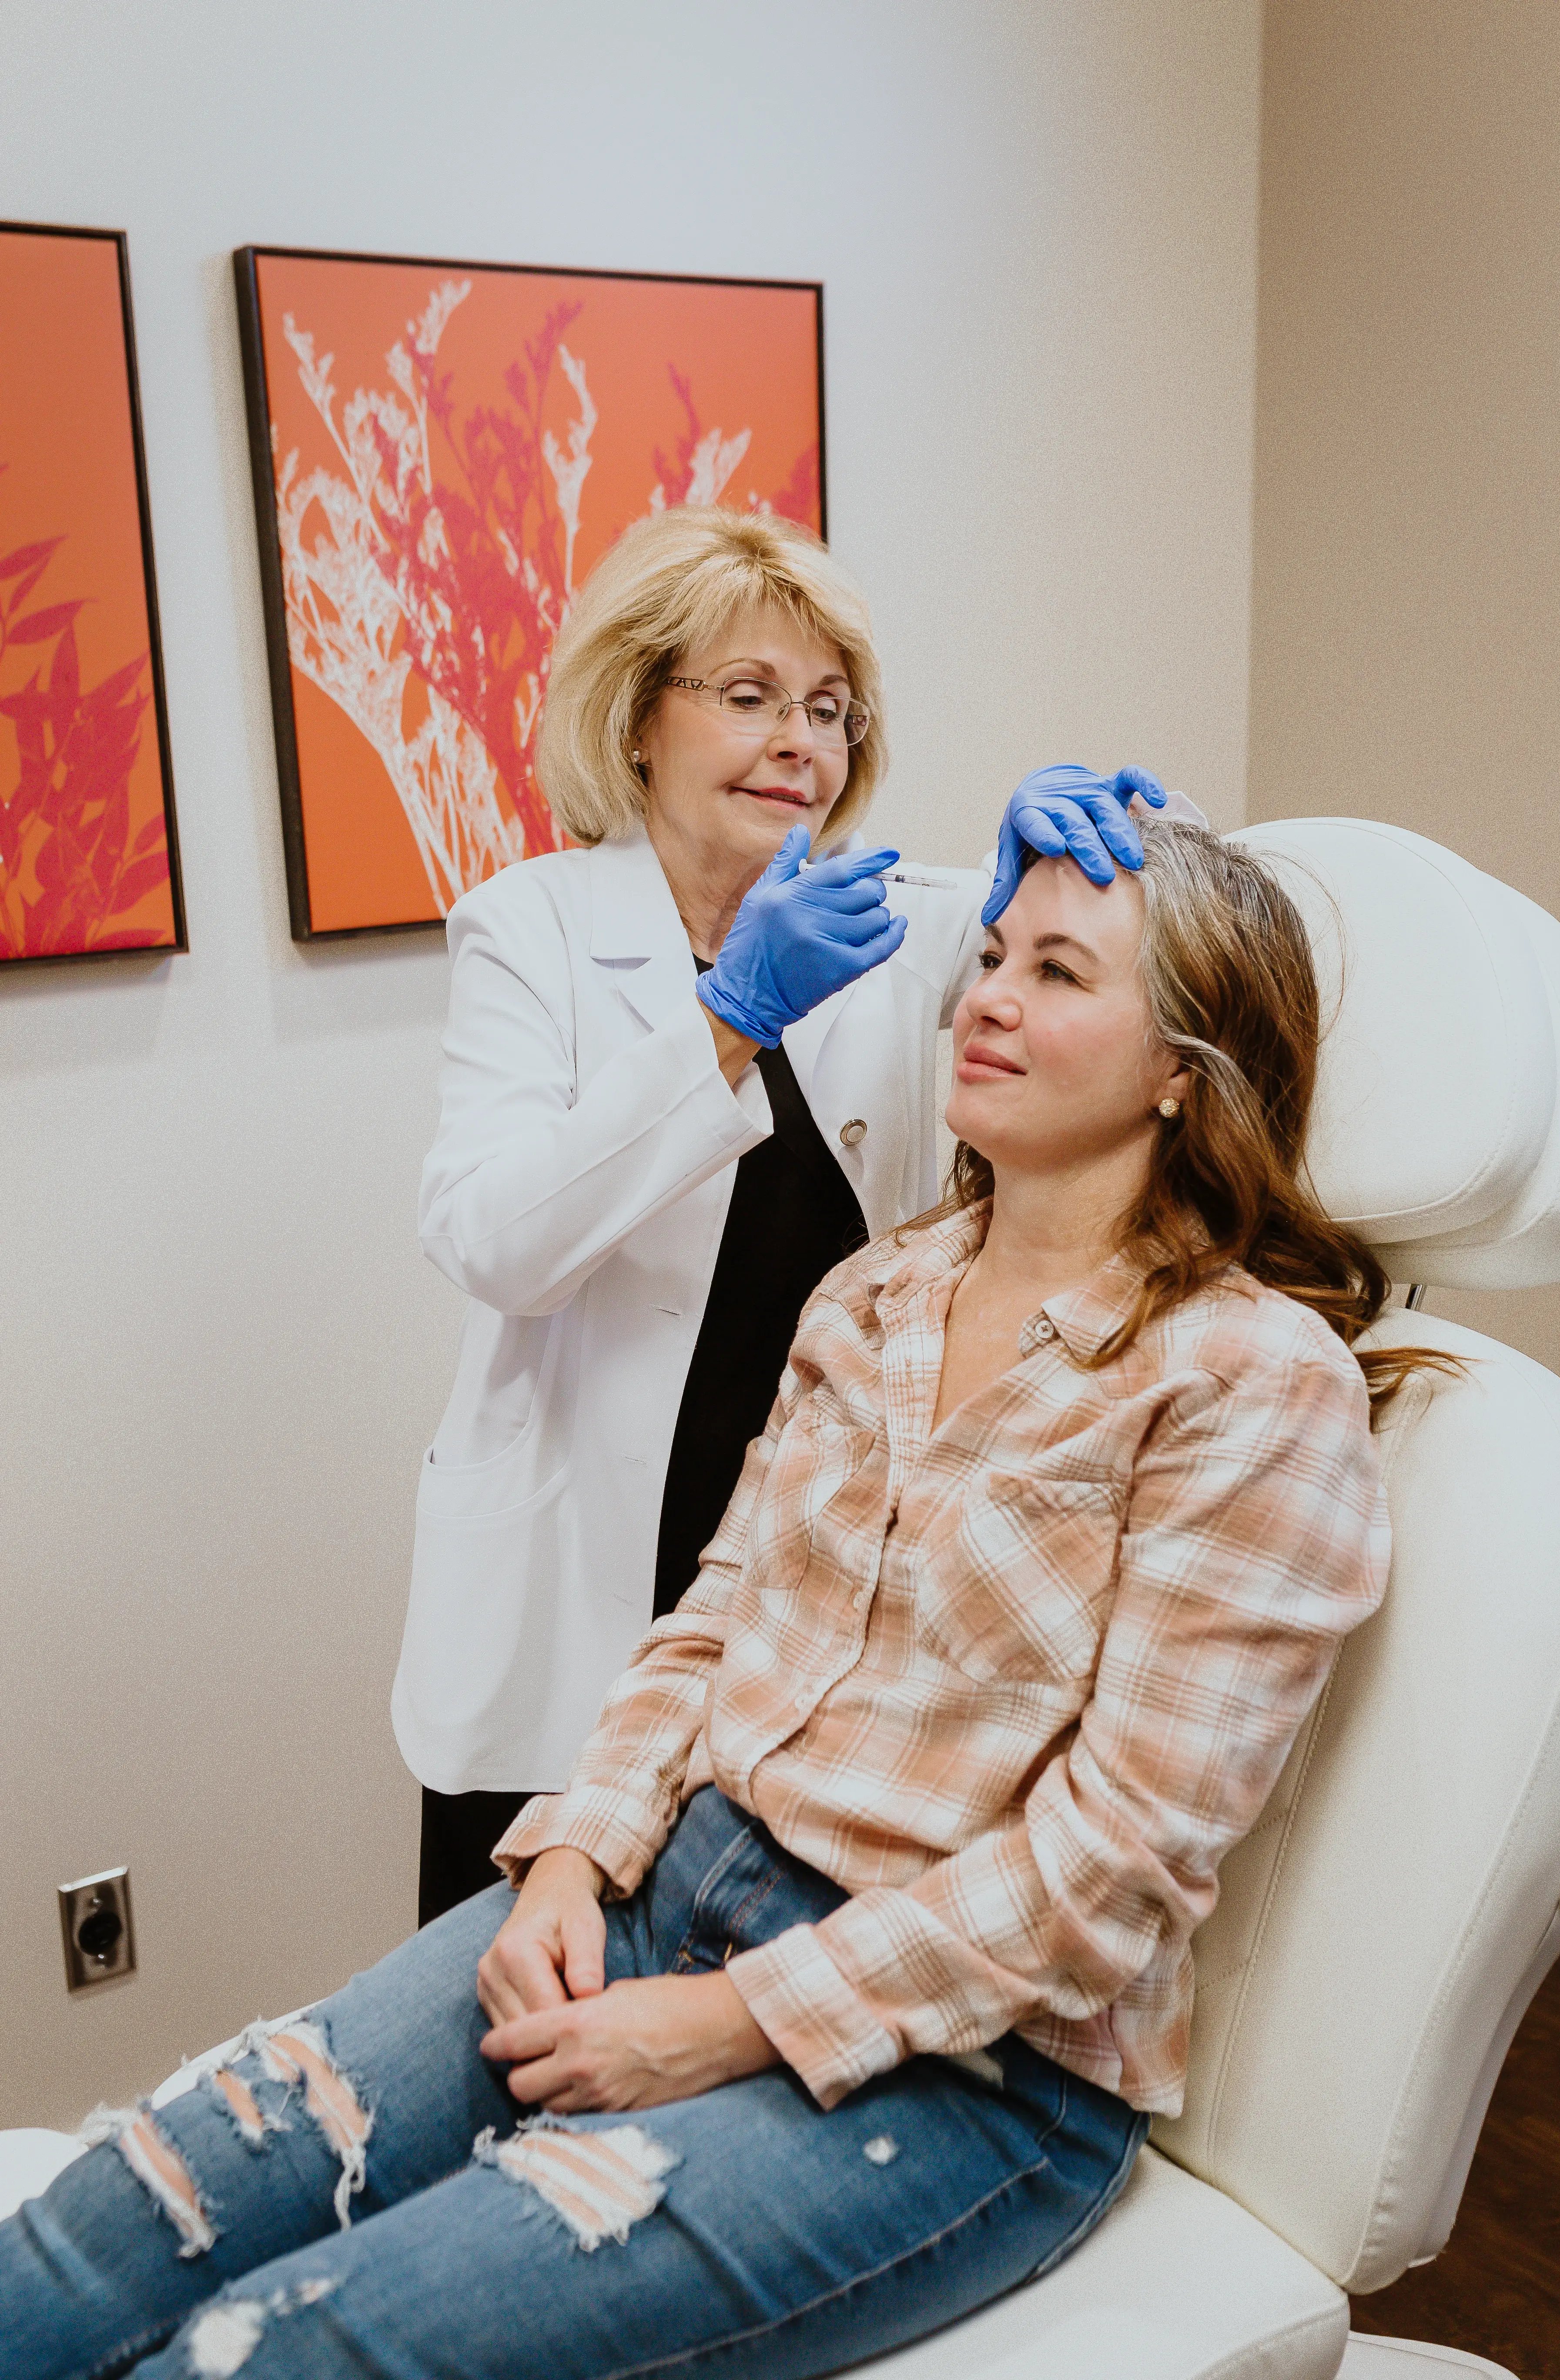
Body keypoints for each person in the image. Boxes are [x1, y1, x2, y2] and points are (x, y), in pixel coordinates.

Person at [6, 821, 1446, 2380]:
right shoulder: (876, 1291)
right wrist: (567, 1859)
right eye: (988, 959)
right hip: (662, 1885)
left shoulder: (1253, 1384)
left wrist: (731, 2022)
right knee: (116, 2224)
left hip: (974, 2066)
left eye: (1056, 970)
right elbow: (713, 1619)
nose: (986, 999)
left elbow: (1113, 1863)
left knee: (280, 2351)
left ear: (1186, 1066)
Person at [395, 501, 1172, 1923]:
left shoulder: (902, 924)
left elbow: (1133, 1017)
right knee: (505, 2005)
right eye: (747, 698)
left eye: (827, 708)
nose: (798, 741)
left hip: (803, 1570)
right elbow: (496, 1242)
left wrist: (1071, 887)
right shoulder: (534, 928)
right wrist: (725, 1020)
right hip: (581, 1581)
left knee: (721, 1978)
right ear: (639, 719)